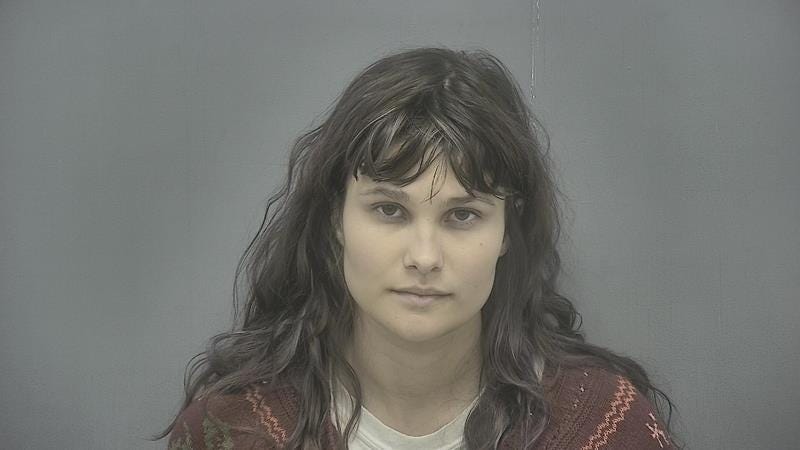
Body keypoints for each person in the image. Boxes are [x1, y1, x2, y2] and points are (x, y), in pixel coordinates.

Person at [153, 46, 681, 449]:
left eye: (462, 215)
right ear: (336, 218)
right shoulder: (233, 430)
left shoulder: (604, 429)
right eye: (390, 210)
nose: (424, 258)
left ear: (506, 231)